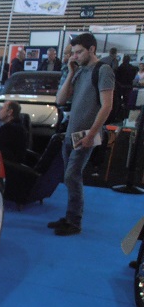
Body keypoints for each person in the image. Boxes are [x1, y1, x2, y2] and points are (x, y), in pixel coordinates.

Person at [50, 33, 114, 236]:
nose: (75, 56)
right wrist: (70, 73)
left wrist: (91, 135)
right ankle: (70, 217)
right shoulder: (79, 71)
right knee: (70, 177)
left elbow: (107, 106)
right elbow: (60, 100)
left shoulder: (103, 70)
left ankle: (74, 221)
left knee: (72, 176)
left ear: (92, 49)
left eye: (79, 52)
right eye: (73, 53)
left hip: (87, 133)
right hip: (72, 132)